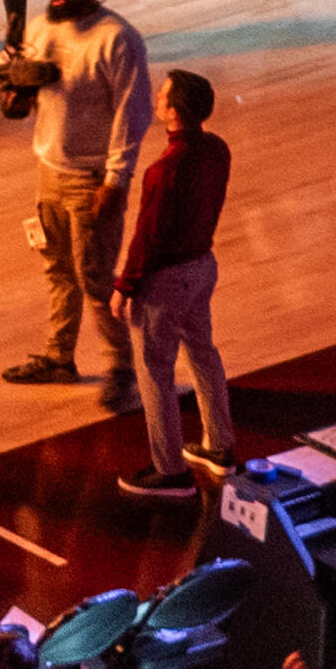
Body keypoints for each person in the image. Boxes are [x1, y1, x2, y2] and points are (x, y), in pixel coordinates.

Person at [0, 0, 148, 394]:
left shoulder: (117, 39)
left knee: (97, 281)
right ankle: (59, 358)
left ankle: (121, 366)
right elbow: (24, 95)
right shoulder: (40, 28)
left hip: (92, 180)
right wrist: (15, 95)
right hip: (49, 171)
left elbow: (132, 113)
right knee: (57, 270)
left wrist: (116, 180)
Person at [120, 67, 235, 485]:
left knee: (155, 372)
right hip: (202, 267)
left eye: (163, 94)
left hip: (166, 282)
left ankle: (169, 471)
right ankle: (220, 445)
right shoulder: (217, 149)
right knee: (204, 354)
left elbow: (147, 236)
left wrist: (124, 286)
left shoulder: (163, 170)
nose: (157, 98)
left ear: (174, 111)